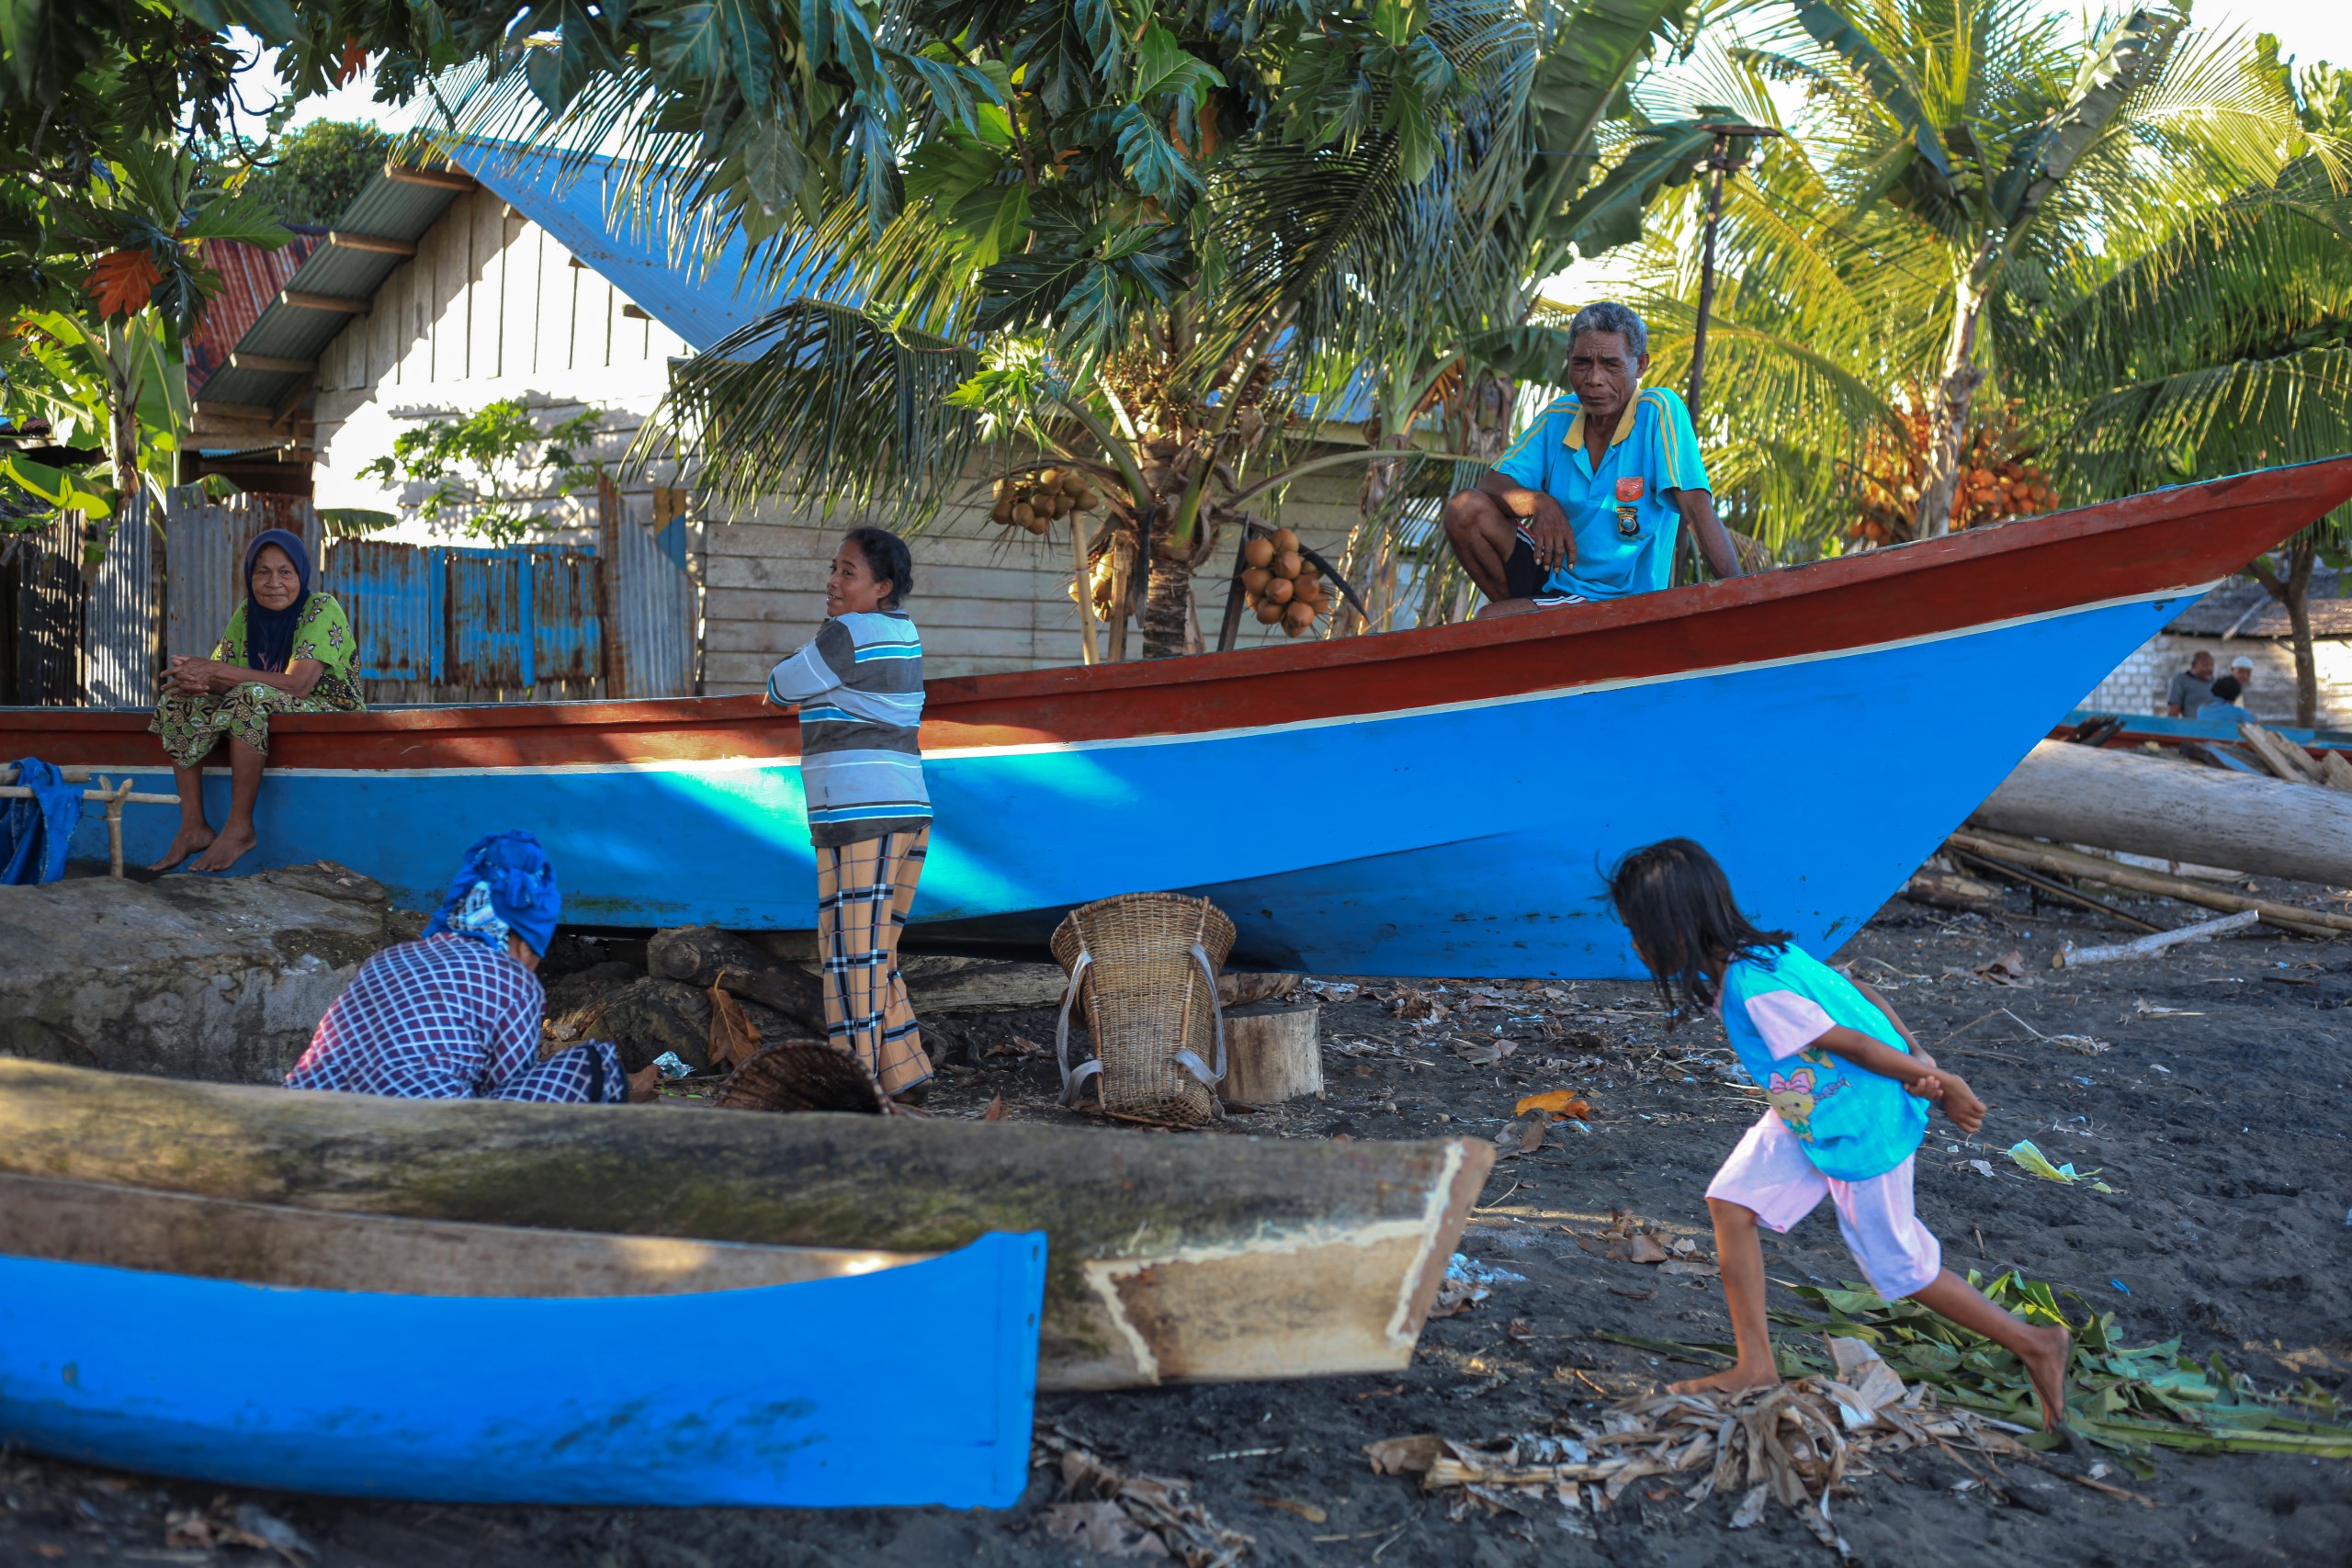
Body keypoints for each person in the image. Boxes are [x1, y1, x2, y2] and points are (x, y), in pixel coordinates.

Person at [1606, 838, 2072, 1431]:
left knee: (1899, 1267)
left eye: (1637, 930)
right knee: (1731, 1202)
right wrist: (1918, 1052)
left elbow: (1849, 1041)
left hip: (1858, 1121)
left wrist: (1941, 1081)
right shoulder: (1767, 953)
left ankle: (2036, 1343)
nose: (1635, 945)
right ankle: (1755, 1366)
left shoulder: (1754, 987)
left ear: (1674, 926)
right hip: (1810, 1109)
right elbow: (1862, 995)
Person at [285, 830, 661, 1103]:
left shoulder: (389, 958)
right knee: (589, 1068)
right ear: (521, 939)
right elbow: (504, 1084)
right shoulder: (513, 980)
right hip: (413, 1136)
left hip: (305, 1117)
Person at [765, 527, 934, 1105]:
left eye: (848, 572)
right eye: (834, 569)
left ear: (882, 587)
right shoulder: (902, 631)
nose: (833, 582)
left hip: (863, 812)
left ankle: (857, 1087)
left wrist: (806, 673)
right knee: (871, 950)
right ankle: (904, 1075)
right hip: (901, 808)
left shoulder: (847, 634)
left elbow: (781, 685)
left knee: (849, 956)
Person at [1441, 301, 1744, 616]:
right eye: (1582, 363)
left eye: (1611, 364)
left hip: (1618, 601)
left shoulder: (1658, 410)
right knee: (1465, 510)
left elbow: (1697, 510)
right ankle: (1540, 624)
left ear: (1640, 366)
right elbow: (1492, 484)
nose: (1594, 378)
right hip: (1556, 578)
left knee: (1493, 618)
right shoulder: (1559, 416)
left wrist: (1743, 597)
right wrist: (1540, 503)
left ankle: (1534, 622)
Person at [150, 528, 364, 873]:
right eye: (262, 571)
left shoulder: (322, 608)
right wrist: (194, 679)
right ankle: (193, 826)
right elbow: (222, 678)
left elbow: (297, 686)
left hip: (328, 710)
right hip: (263, 704)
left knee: (249, 695)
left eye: (285, 572)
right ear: (250, 576)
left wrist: (215, 670)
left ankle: (239, 828)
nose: (273, 583)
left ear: (301, 575)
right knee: (178, 700)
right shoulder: (247, 613)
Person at [2164, 650, 2213, 718]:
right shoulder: (2182, 680)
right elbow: (2173, 711)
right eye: (2205, 665)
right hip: (2191, 724)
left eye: (2212, 665)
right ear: (2193, 665)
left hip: (2214, 724)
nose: (2209, 669)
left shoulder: (2214, 683)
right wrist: (2170, 724)